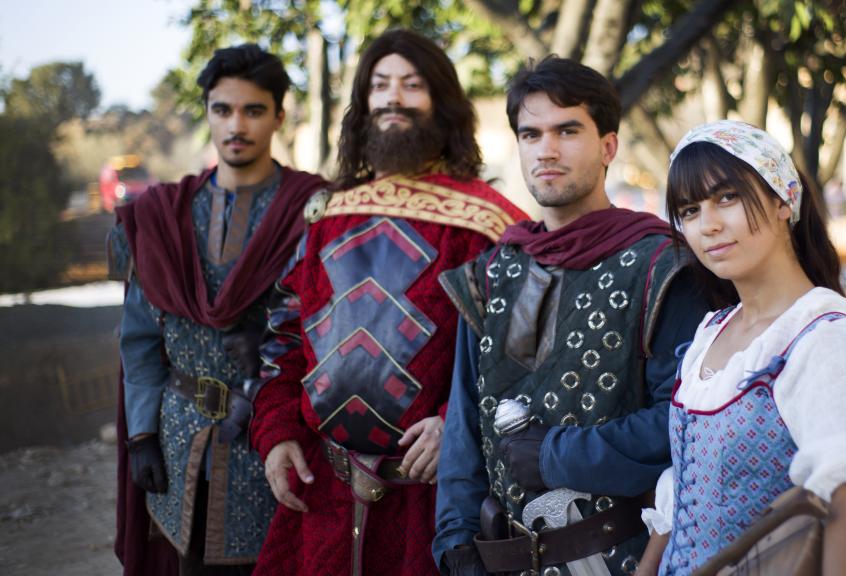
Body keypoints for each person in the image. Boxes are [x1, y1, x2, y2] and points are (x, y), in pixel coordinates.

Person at [248, 29, 527, 576]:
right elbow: (283, 342)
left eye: (411, 84)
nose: (393, 97)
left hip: (434, 495)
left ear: (440, 102)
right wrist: (278, 434)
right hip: (326, 491)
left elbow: (517, 354)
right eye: (380, 85)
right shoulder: (326, 217)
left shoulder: (489, 223)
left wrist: (454, 423)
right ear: (364, 102)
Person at [433, 56, 710, 576]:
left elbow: (686, 420)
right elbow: (464, 423)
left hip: (627, 557)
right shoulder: (492, 273)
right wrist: (453, 539)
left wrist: (556, 456)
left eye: (567, 130)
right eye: (531, 134)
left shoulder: (662, 267)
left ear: (608, 146)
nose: (547, 150)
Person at [640, 120, 846, 575]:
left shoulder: (822, 333)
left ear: (782, 200)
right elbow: (682, 491)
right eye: (690, 210)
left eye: (727, 198)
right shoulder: (712, 331)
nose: (708, 225)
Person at [110, 44, 328, 576]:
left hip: (276, 442)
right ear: (207, 111)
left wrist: (281, 341)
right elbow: (140, 337)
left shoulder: (319, 210)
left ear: (279, 115)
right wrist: (141, 435)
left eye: (253, 110)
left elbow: (344, 330)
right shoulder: (162, 216)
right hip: (179, 441)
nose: (237, 125)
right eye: (222, 109)